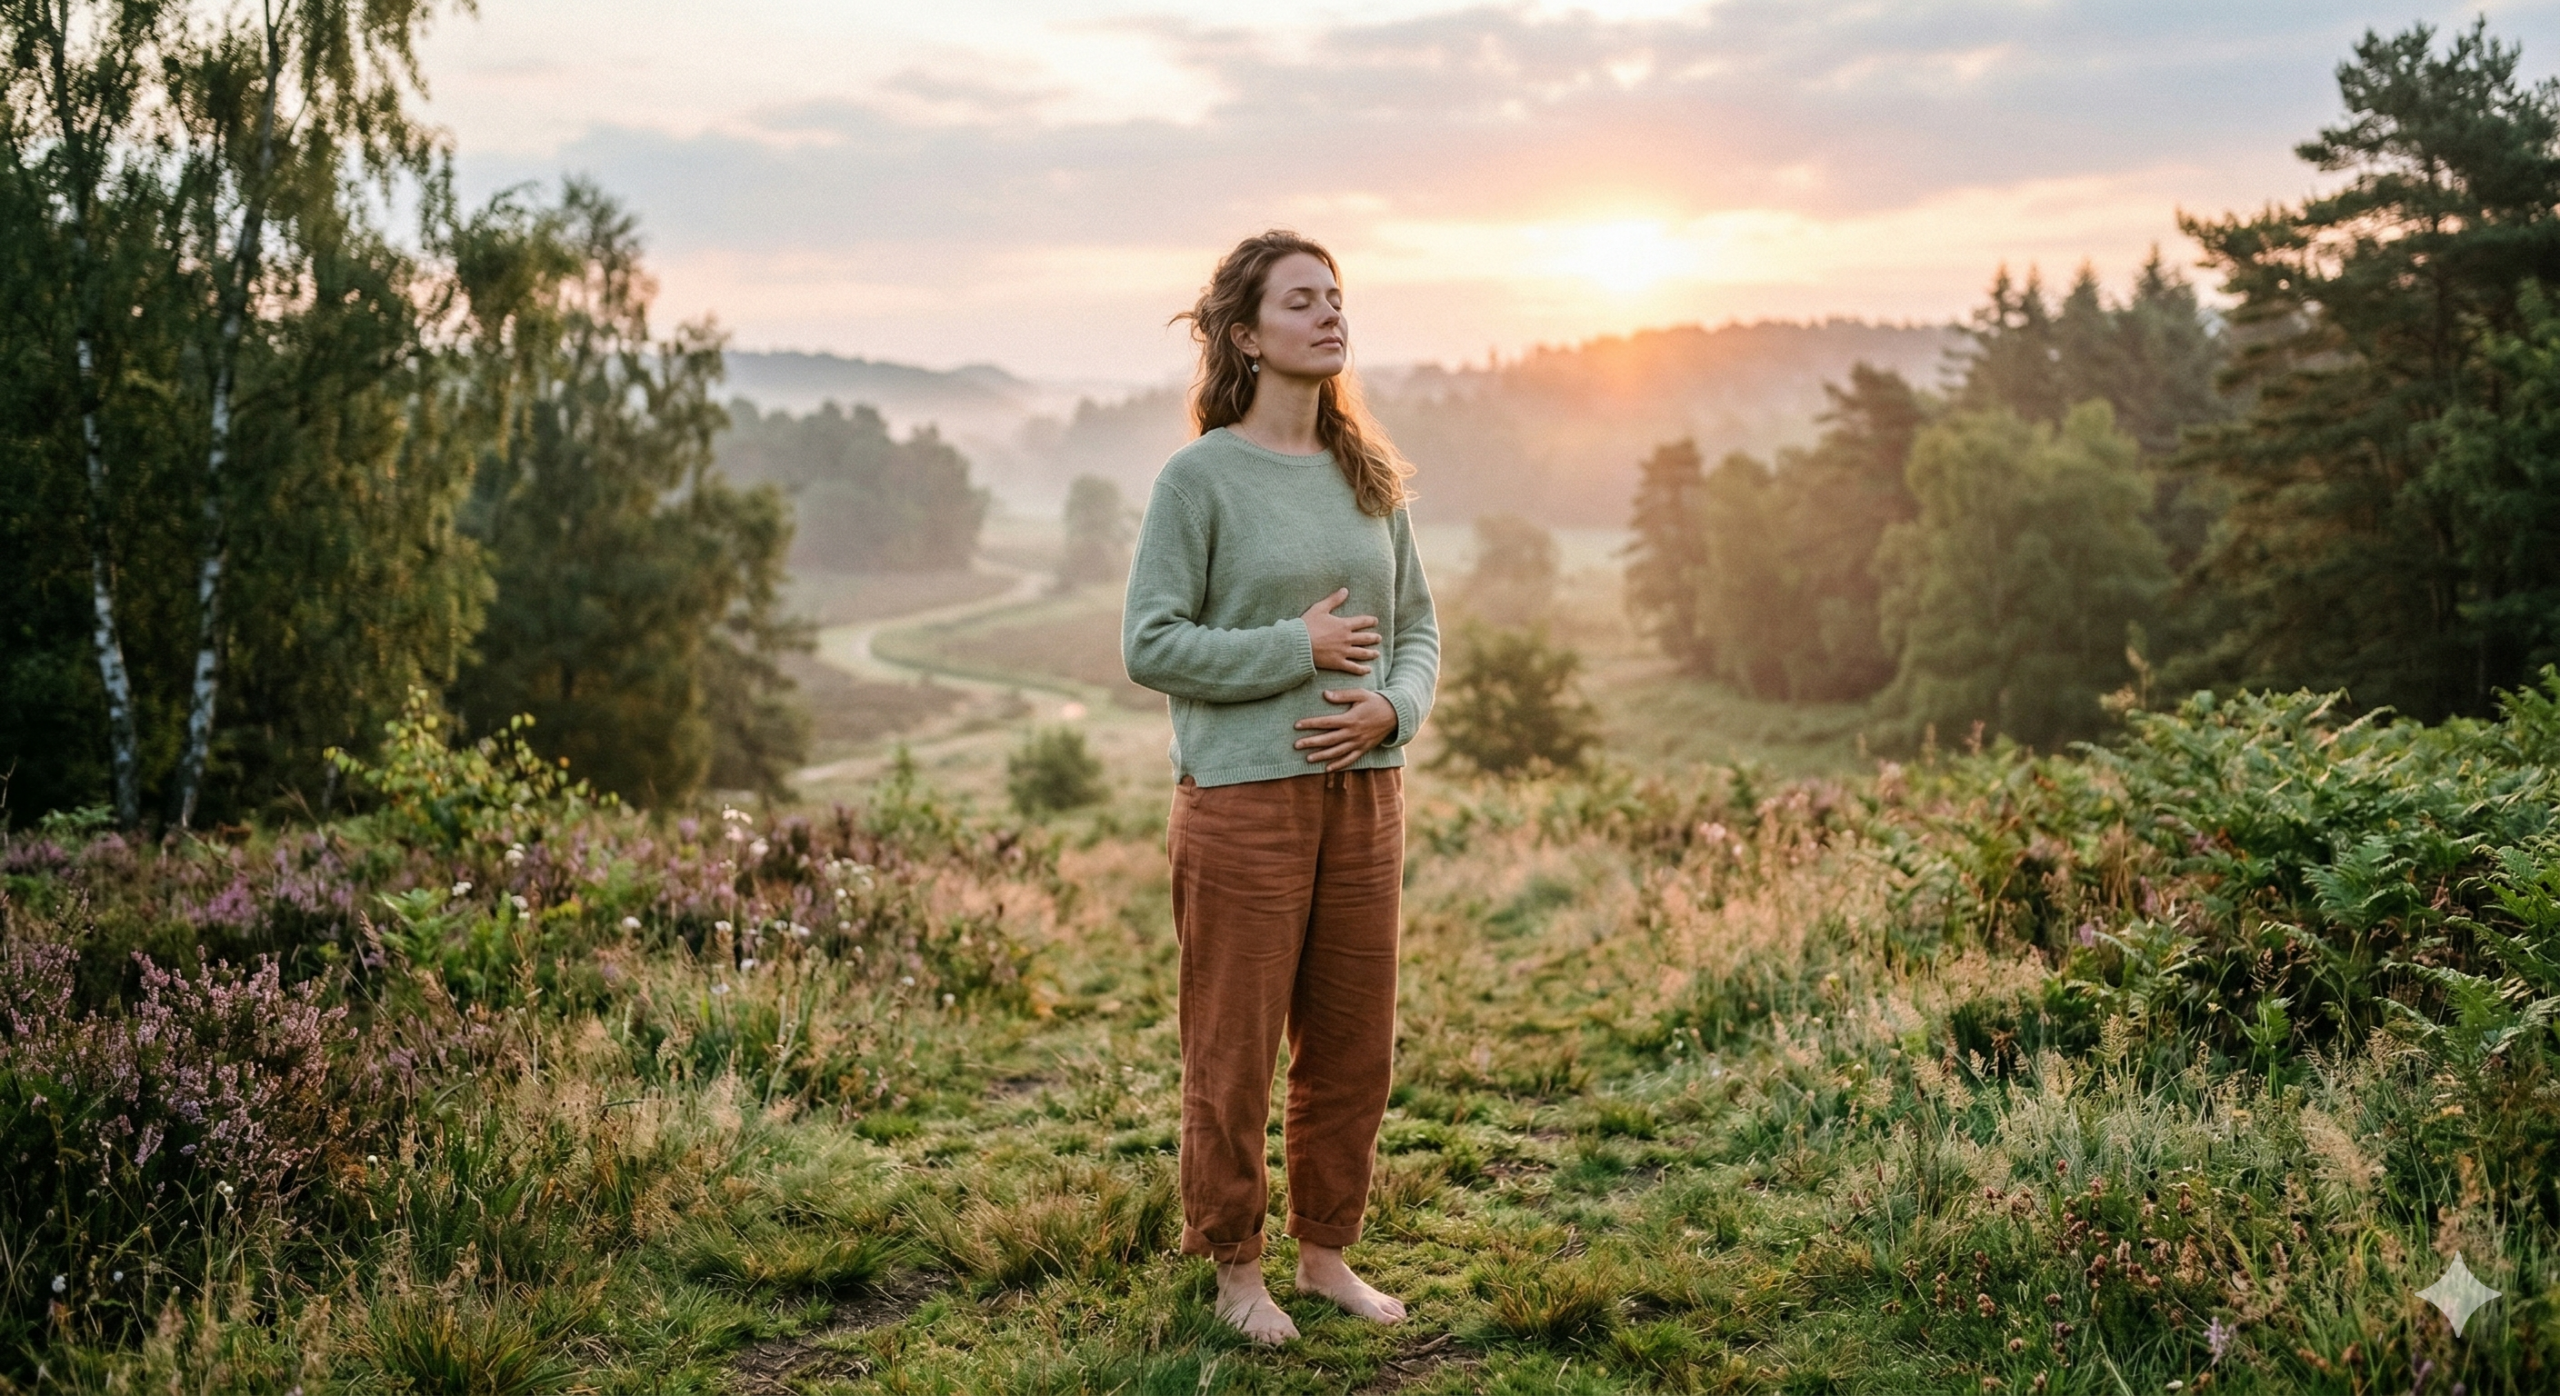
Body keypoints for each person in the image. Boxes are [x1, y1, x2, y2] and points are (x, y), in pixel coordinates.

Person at [1122, 230, 1440, 1344]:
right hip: (1240, 799)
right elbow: (1150, 641)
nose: (1328, 314)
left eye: (1335, 296)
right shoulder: (1198, 477)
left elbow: (1417, 631)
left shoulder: (1369, 475)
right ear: (1247, 336)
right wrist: (1293, 649)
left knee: (1355, 1041)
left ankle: (1325, 1256)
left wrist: (1393, 707)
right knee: (1233, 1044)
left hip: (1365, 794)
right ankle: (1236, 1268)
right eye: (1300, 301)